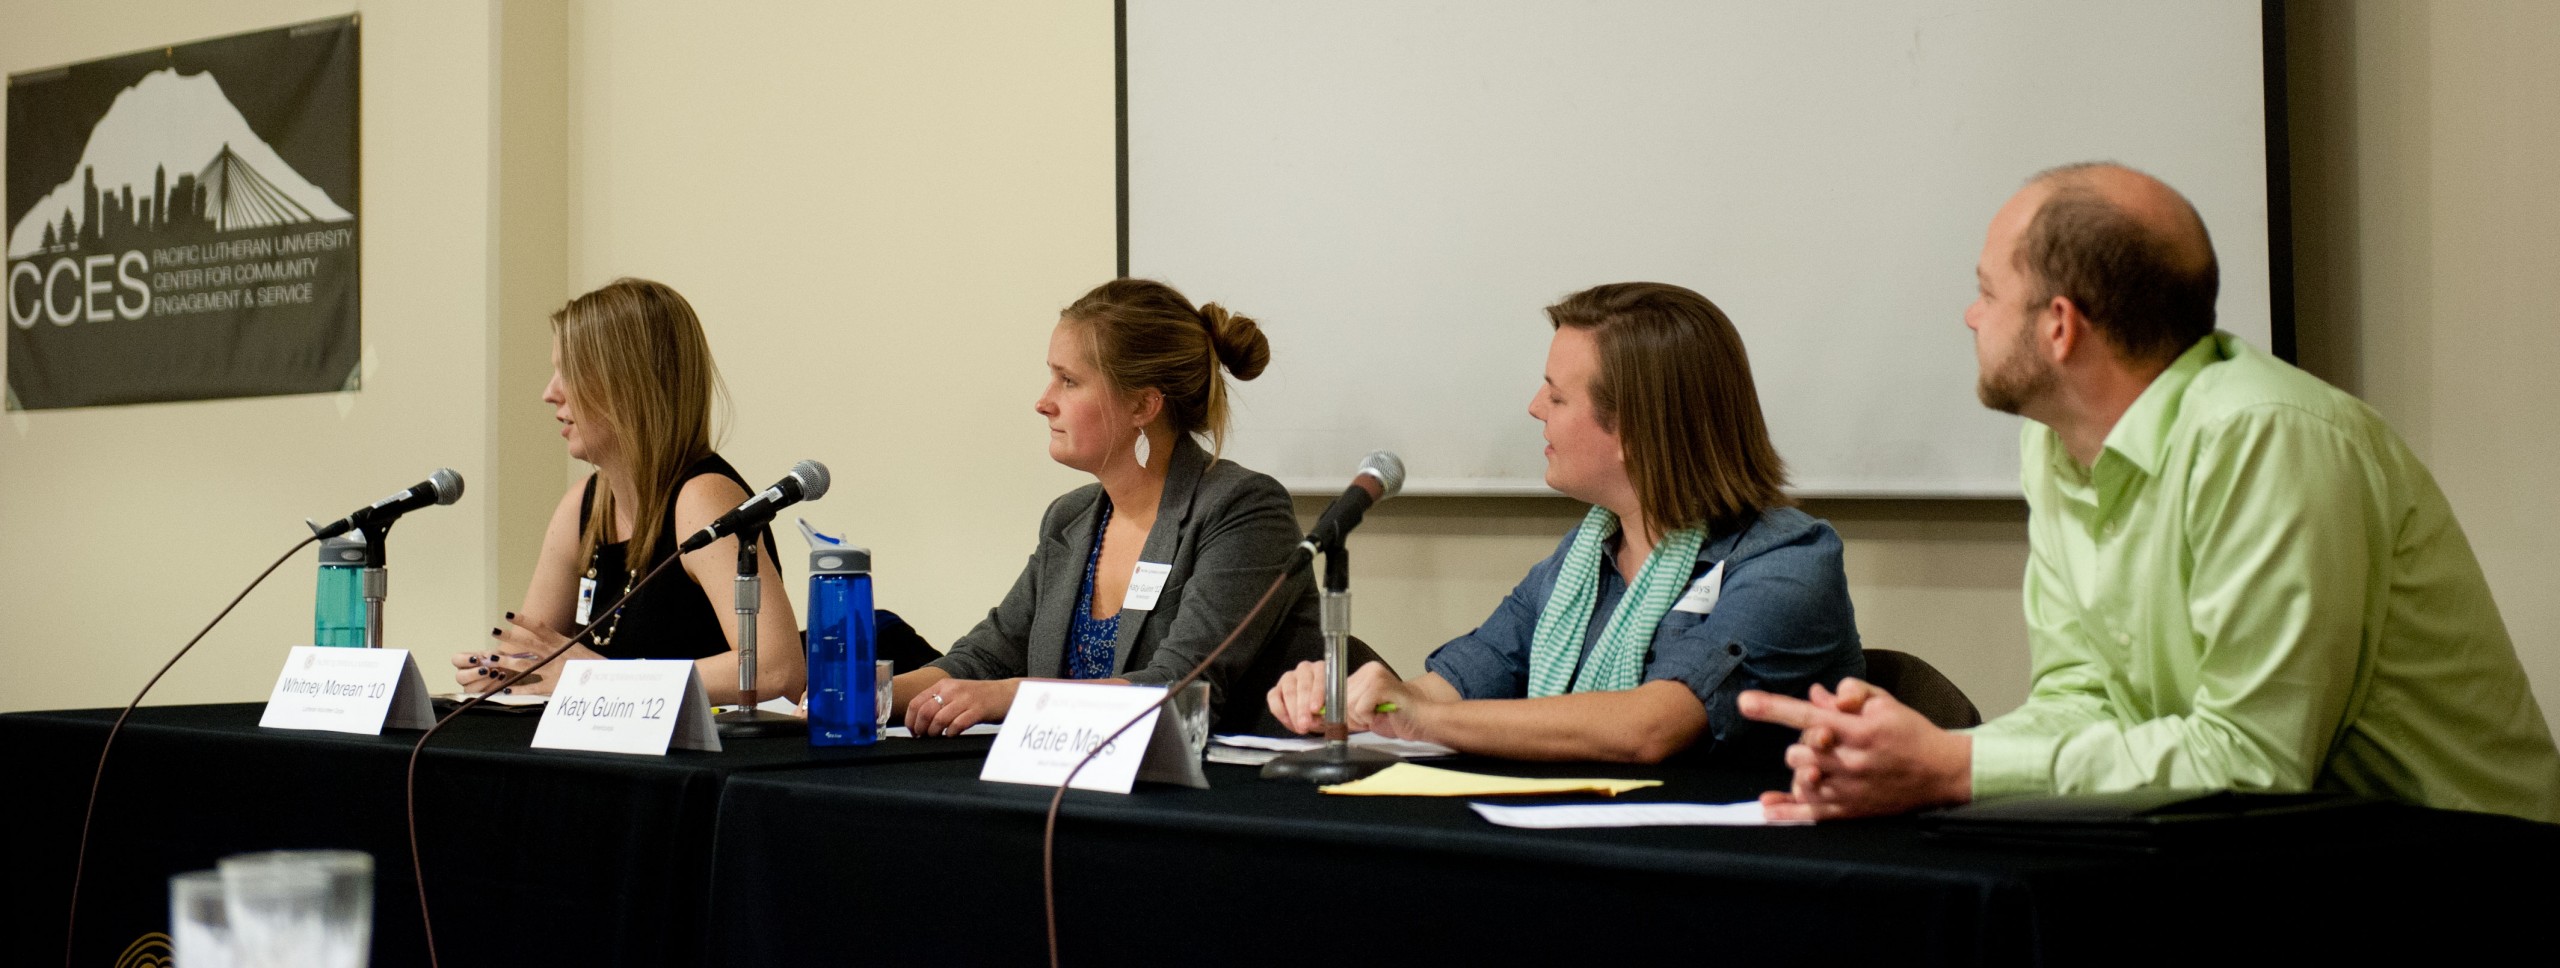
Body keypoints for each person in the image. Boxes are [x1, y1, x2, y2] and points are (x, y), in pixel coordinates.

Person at [1742, 163, 2560, 822]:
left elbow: (2255, 759)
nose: (1969, 315)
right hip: (2260, 855)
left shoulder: (2264, 435)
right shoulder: (2055, 443)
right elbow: (2082, 699)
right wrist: (1902, 757)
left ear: (2060, 326)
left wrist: (1957, 764)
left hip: (2456, 867)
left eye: (1988, 292)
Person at [1267, 282, 1864, 763]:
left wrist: (1420, 714)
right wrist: (1350, 696)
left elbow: (1650, 726)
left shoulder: (1787, 565)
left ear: (1632, 430)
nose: (1533, 408)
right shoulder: (1583, 559)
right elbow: (1450, 686)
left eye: (1556, 397)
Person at [896, 279, 1321, 736]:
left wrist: (1009, 696)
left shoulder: (1244, 512)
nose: (1043, 403)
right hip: (1077, 788)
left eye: (1069, 381)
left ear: (1143, 405)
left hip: (1221, 794)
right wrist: (849, 697)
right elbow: (980, 660)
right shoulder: (1071, 519)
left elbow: (1179, 691)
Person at [449, 278, 805, 704]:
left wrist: (598, 677)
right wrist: (504, 670)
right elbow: (537, 659)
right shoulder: (585, 503)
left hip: (693, 763)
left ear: (630, 384)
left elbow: (775, 667)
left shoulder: (702, 497)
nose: (549, 393)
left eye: (570, 373)